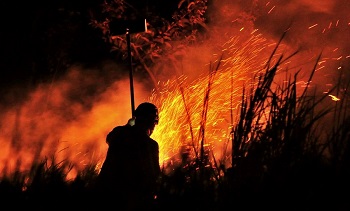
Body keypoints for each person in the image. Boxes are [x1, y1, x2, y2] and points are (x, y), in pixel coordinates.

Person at [94, 102, 161, 210]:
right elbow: (155, 175)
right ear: (152, 122)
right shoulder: (151, 145)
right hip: (131, 199)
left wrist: (128, 126)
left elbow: (109, 139)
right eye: (154, 122)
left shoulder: (119, 132)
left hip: (105, 193)